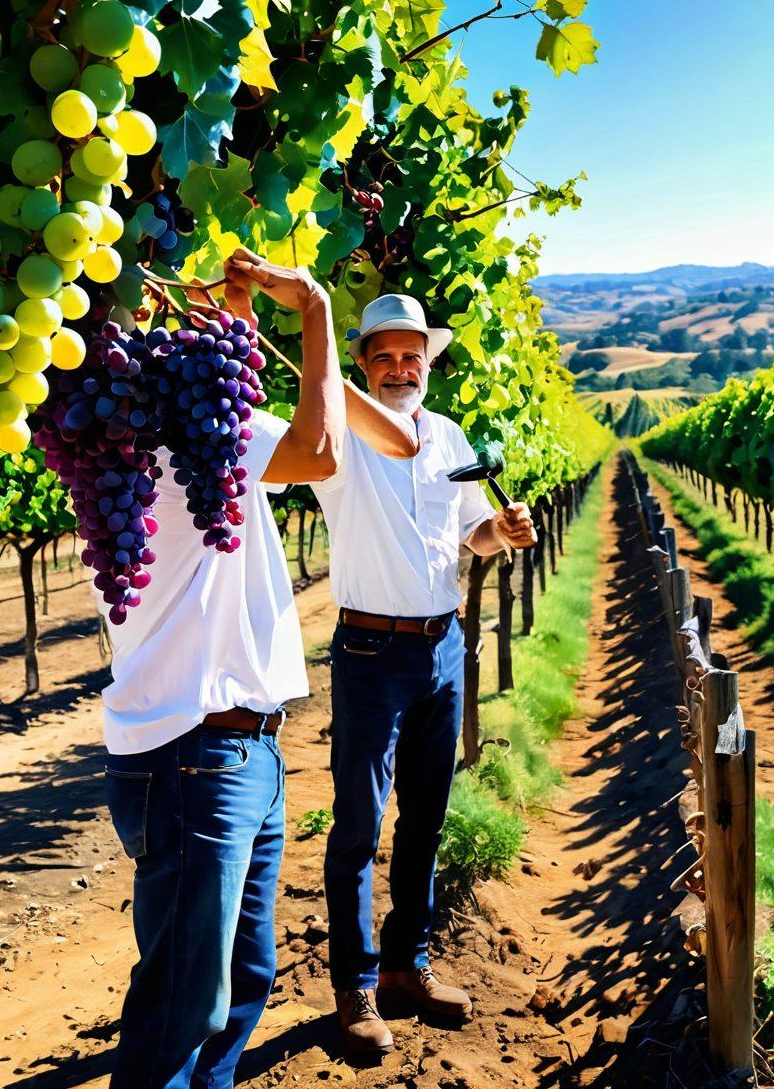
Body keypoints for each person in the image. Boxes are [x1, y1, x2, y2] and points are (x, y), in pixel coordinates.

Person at [98, 252, 413, 1089]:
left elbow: (227, 391)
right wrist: (311, 310)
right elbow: (320, 451)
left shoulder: (127, 451)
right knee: (182, 1010)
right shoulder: (207, 440)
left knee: (241, 983)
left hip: (223, 755)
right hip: (202, 762)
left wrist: (230, 316)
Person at [310, 293, 537, 1056]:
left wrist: (498, 532)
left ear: (428, 364)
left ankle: (410, 965)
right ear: (363, 366)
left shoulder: (447, 435)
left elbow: (467, 532)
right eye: (385, 357)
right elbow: (312, 416)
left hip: (443, 649)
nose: (402, 368)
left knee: (426, 819)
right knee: (357, 828)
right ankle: (356, 987)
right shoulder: (338, 435)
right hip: (369, 656)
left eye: (414, 356)